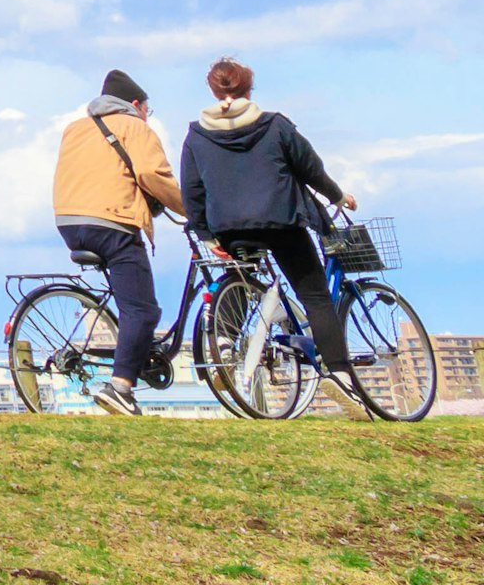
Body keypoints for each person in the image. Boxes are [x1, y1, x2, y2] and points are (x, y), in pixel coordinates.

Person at [177, 57, 363, 399]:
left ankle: (224, 344)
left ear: (213, 89)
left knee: (242, 281)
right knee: (315, 297)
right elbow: (311, 169)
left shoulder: (196, 135)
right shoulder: (275, 125)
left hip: (230, 228)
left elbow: (191, 189)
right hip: (282, 222)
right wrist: (338, 196)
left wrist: (205, 233)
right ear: (249, 88)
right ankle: (339, 376)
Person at [49, 67, 183, 412]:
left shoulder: (75, 129)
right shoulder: (134, 127)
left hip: (69, 222)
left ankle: (128, 352)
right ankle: (121, 387)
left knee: (128, 301)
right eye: (147, 111)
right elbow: (153, 174)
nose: (147, 117)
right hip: (111, 222)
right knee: (142, 308)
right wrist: (192, 211)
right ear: (136, 104)